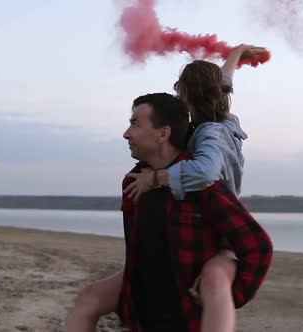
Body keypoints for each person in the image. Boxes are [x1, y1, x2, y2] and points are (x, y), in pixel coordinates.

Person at [64, 45, 263, 332]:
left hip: (221, 234)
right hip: (189, 252)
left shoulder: (210, 136)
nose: (126, 132)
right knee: (91, 297)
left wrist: (156, 179)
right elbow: (225, 78)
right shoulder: (224, 119)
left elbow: (205, 174)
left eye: (134, 123)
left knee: (216, 280)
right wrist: (237, 53)